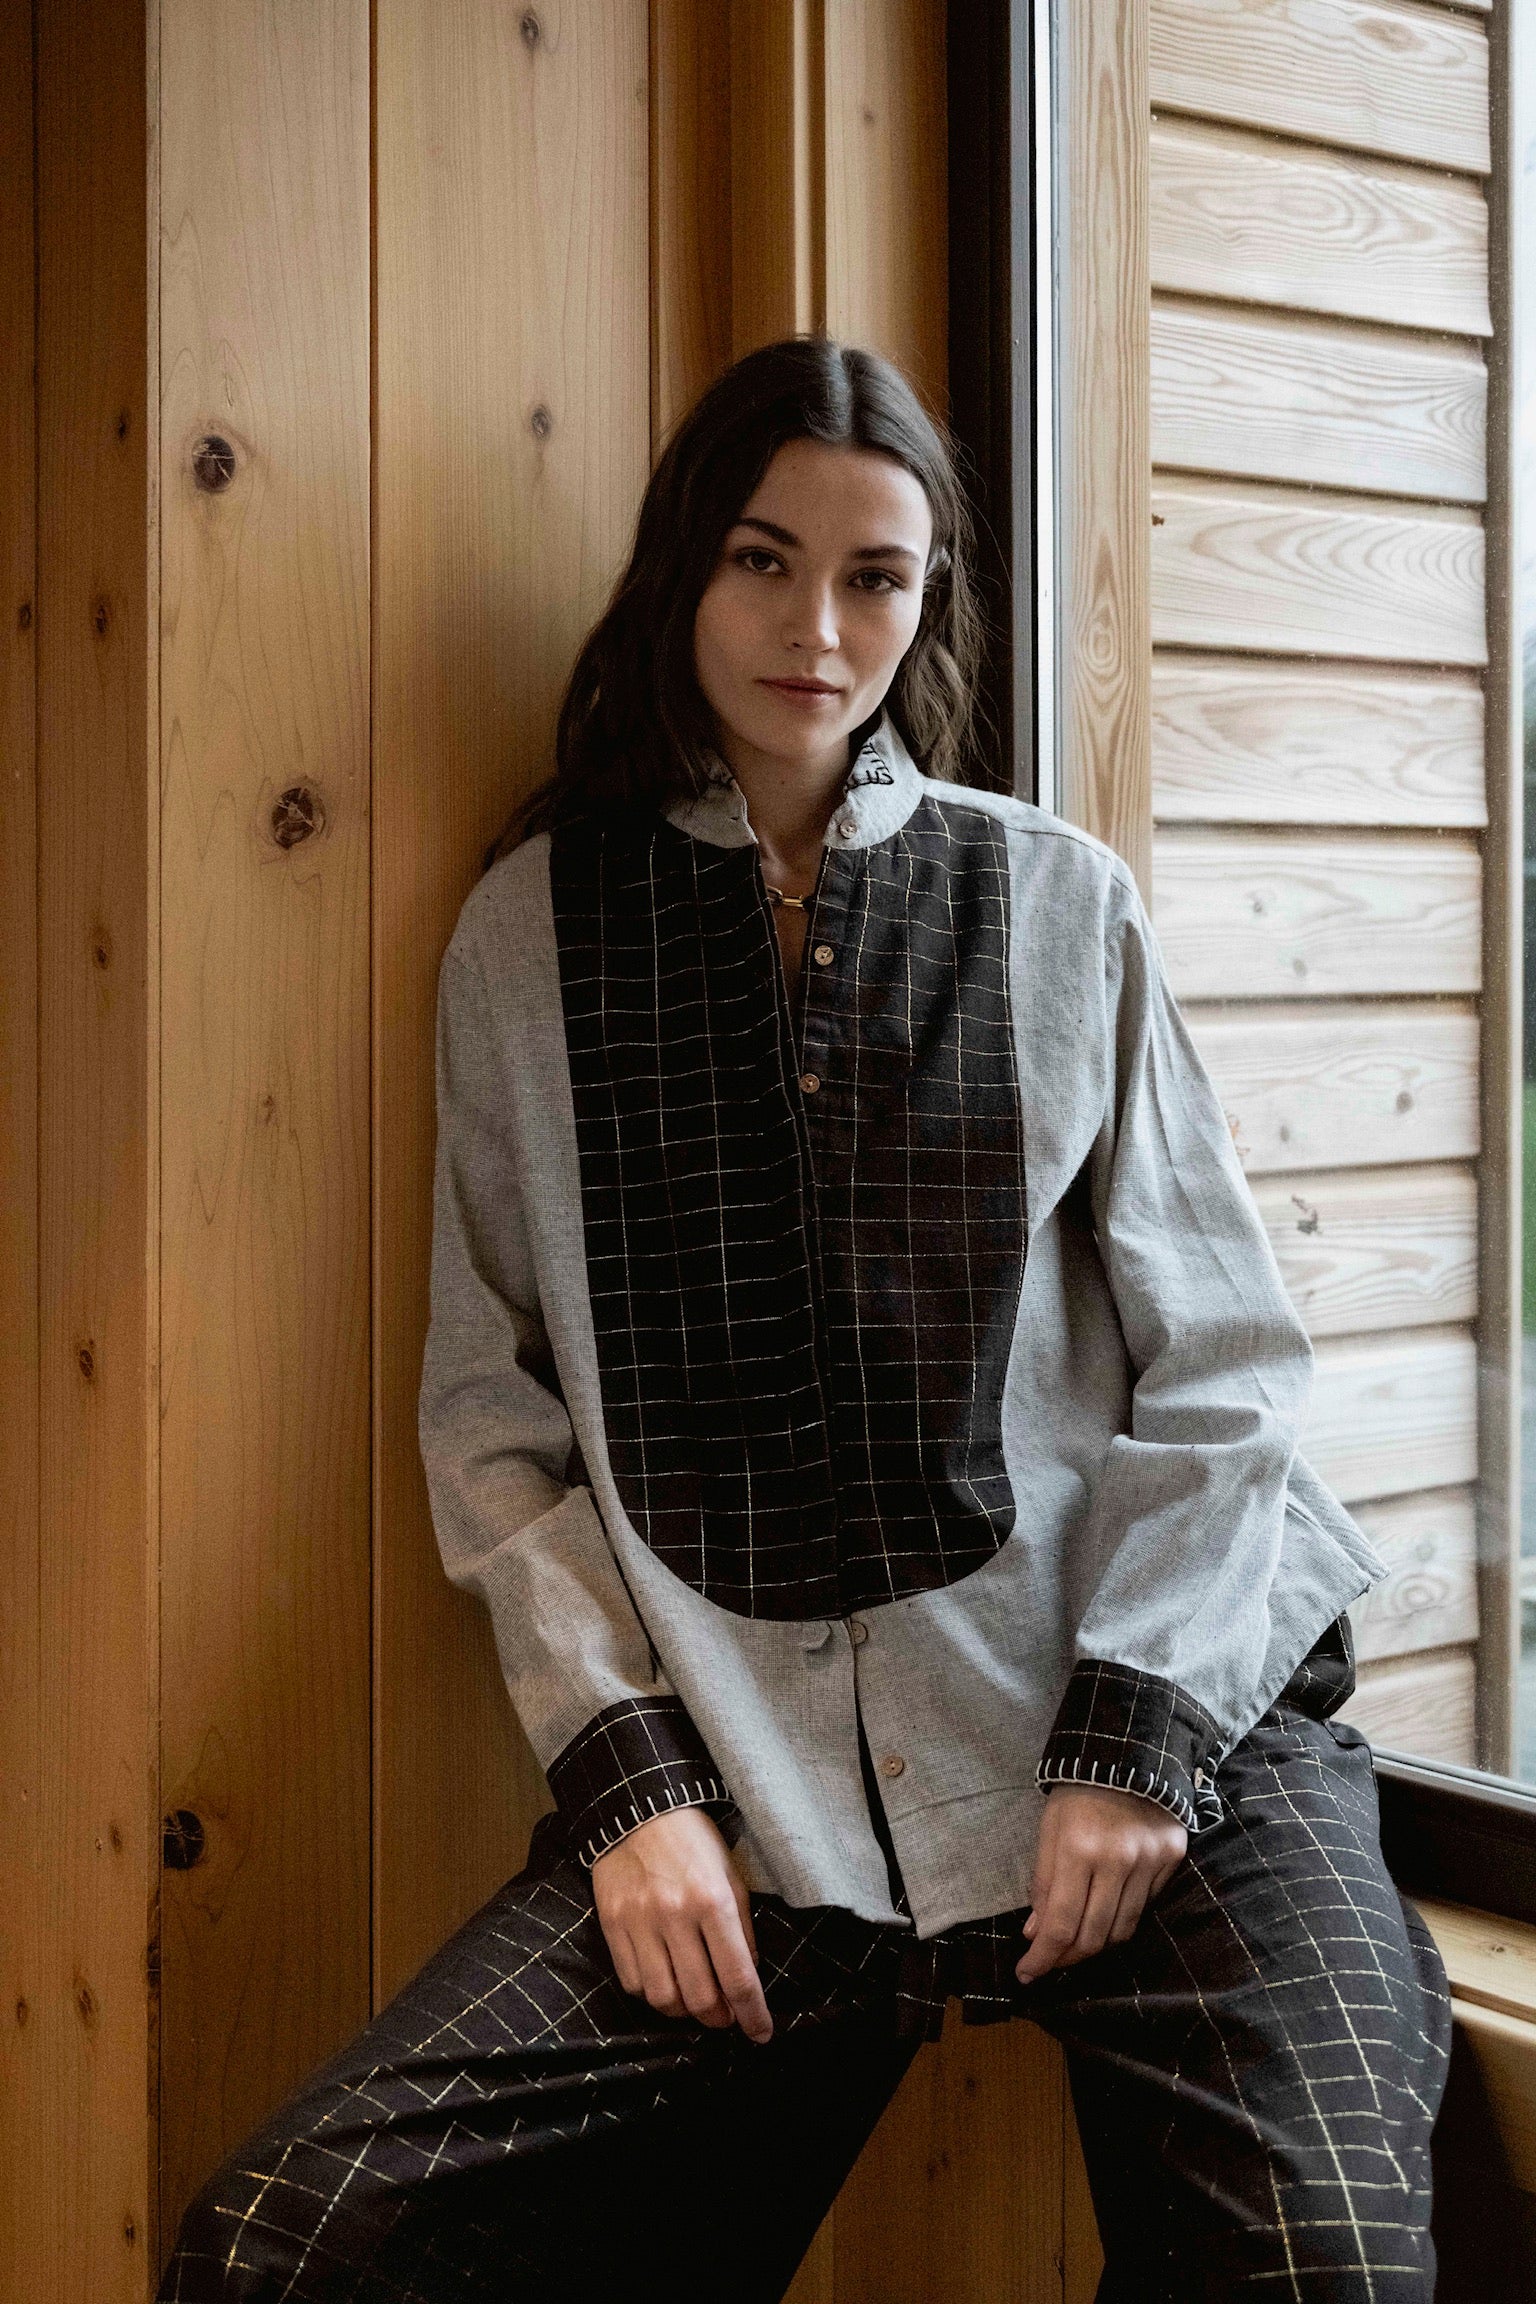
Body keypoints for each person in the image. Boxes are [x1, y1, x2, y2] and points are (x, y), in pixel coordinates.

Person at [157, 337, 1452, 2303]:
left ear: (930, 604)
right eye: (764, 562)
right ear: (686, 566)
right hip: (753, 1809)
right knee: (287, 2243)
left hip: (1167, 1736)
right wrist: (634, 1789)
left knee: (1322, 2267)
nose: (818, 629)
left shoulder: (1059, 903)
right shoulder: (524, 941)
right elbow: (493, 1415)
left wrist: (1137, 1734)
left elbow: (1229, 1365)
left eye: (876, 578)